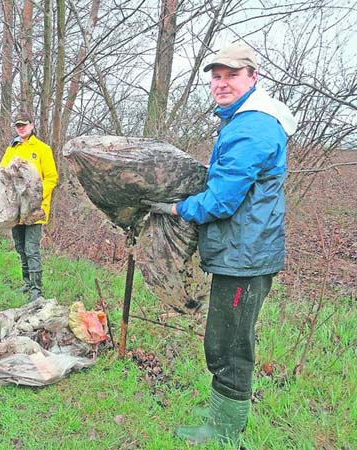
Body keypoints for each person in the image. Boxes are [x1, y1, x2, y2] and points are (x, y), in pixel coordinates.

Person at [143, 42, 298, 445]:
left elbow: (222, 199)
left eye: (232, 75)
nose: (222, 83)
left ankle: (226, 431)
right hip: (241, 251)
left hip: (245, 256)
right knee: (224, 338)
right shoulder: (242, 121)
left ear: (253, 77)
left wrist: (175, 208)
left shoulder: (252, 126)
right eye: (216, 76)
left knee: (229, 344)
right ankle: (220, 410)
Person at [0, 111, 59, 301]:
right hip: (16, 207)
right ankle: (27, 283)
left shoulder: (42, 149)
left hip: (35, 208)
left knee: (32, 248)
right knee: (20, 246)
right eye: (18, 125)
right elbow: (2, 172)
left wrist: (37, 195)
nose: (21, 128)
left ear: (32, 125)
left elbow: (52, 177)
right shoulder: (12, 149)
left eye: (24, 124)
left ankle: (36, 289)